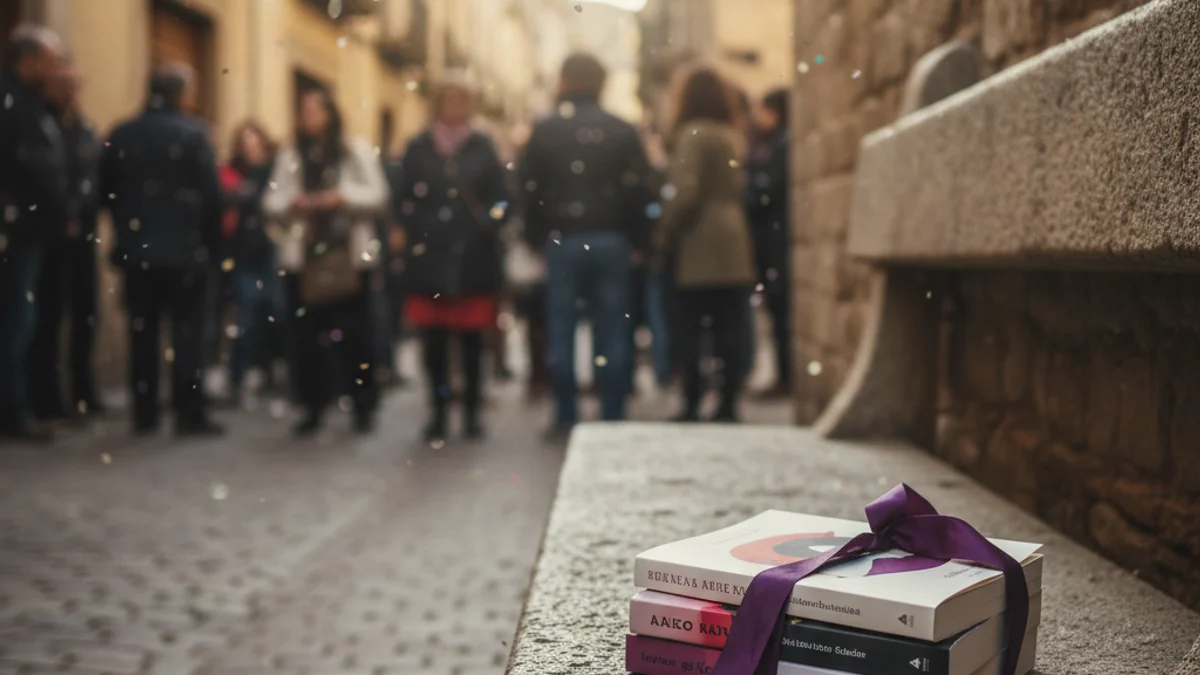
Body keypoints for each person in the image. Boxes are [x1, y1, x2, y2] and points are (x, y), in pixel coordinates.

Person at [519, 53, 652, 436]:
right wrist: (639, 240)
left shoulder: (545, 132)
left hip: (564, 239)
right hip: (611, 239)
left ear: (563, 82)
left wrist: (536, 238)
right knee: (612, 328)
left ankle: (566, 414)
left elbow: (529, 191)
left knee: (561, 328)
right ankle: (611, 413)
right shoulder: (623, 131)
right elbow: (640, 190)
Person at [102, 64, 225, 436]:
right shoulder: (194, 136)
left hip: (139, 254)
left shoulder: (122, 135)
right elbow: (212, 198)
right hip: (186, 254)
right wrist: (210, 246)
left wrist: (128, 232)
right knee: (188, 335)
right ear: (182, 94)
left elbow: (106, 192)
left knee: (143, 333)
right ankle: (188, 413)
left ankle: (145, 413)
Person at [263, 87, 389, 436]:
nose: (307, 116)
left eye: (314, 109)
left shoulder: (354, 151)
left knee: (356, 336)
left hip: (349, 258)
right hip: (303, 261)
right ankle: (312, 405)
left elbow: (378, 195)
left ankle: (362, 404)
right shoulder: (291, 155)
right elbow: (272, 201)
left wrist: (340, 198)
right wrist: (294, 203)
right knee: (306, 338)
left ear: (329, 114)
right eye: (303, 109)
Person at [395, 81, 509, 442]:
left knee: (473, 342)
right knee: (434, 343)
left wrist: (490, 222)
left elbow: (505, 197)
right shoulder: (418, 147)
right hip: (429, 257)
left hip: (473, 257)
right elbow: (402, 198)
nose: (456, 106)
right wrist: (415, 228)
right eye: (450, 99)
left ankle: (472, 413)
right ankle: (439, 412)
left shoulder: (483, 147)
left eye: (463, 99)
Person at [656, 66, 756, 423]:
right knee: (728, 325)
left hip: (699, 241)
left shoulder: (692, 134)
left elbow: (686, 192)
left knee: (692, 326)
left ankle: (694, 400)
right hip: (733, 236)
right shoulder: (731, 133)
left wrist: (665, 230)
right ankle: (729, 401)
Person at [0, 25, 68, 442]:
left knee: (23, 320)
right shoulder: (10, 101)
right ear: (29, 59)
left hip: (32, 229)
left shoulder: (33, 103)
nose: (55, 67)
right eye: (50, 58)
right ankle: (13, 412)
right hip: (16, 230)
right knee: (15, 321)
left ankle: (19, 406)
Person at [27, 59, 103, 421]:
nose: (68, 91)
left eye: (73, 83)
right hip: (49, 235)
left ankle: (83, 390)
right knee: (48, 315)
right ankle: (46, 397)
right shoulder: (40, 123)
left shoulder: (83, 128)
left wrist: (81, 211)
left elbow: (91, 175)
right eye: (62, 83)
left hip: (82, 234)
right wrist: (65, 213)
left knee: (85, 315)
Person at [221, 121, 278, 403]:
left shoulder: (274, 170)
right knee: (245, 317)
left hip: (271, 254)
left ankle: (268, 371)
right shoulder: (234, 172)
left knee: (273, 314)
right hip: (245, 254)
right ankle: (237, 378)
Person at [745, 88, 792, 398]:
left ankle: (786, 377)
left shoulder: (781, 146)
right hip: (775, 241)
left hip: (777, 242)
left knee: (781, 312)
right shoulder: (777, 145)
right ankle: (784, 375)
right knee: (778, 312)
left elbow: (763, 193)